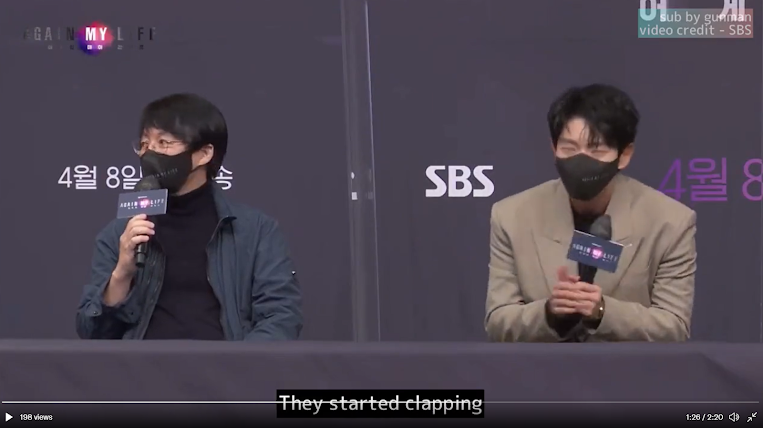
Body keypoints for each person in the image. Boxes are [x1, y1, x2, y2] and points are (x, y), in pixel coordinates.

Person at [76, 93, 302, 340]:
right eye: (144, 144)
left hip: (226, 364)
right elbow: (91, 332)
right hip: (143, 365)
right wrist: (121, 274)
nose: (150, 153)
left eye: (164, 142)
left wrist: (237, 362)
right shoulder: (122, 233)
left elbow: (281, 316)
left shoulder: (255, 231)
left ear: (204, 154)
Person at [485, 84, 696, 342]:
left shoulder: (670, 222)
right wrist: (549, 313)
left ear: (624, 155)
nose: (581, 161)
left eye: (596, 150)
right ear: (554, 149)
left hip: (626, 367)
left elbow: (674, 326)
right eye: (569, 148)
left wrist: (603, 311)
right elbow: (498, 321)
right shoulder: (511, 216)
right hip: (542, 366)